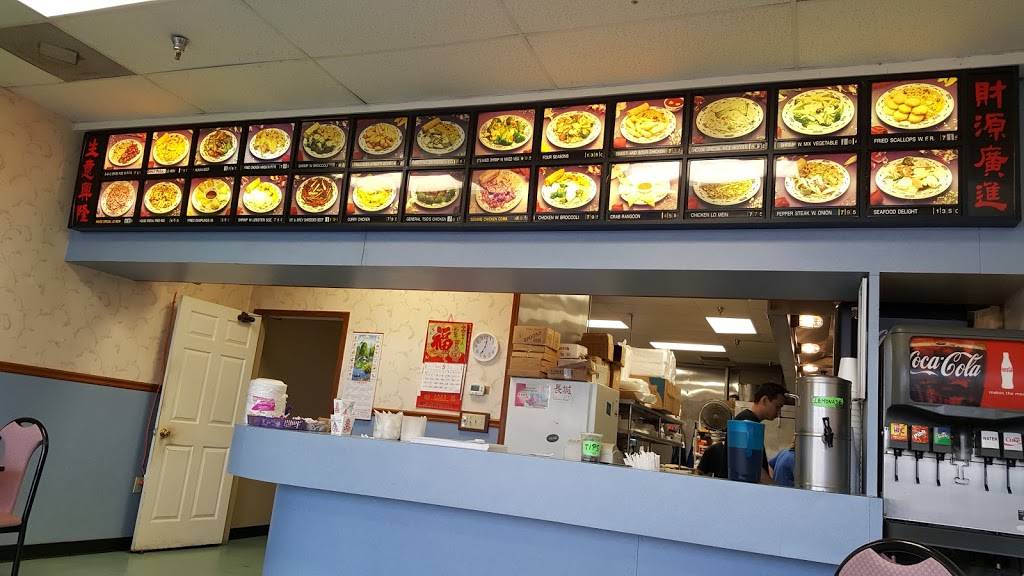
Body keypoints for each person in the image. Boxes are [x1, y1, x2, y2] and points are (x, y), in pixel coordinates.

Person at [696, 382, 788, 483]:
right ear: (765, 400)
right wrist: (774, 488)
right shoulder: (746, 423)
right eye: (777, 406)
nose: (779, 412)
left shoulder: (751, 423)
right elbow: (752, 466)